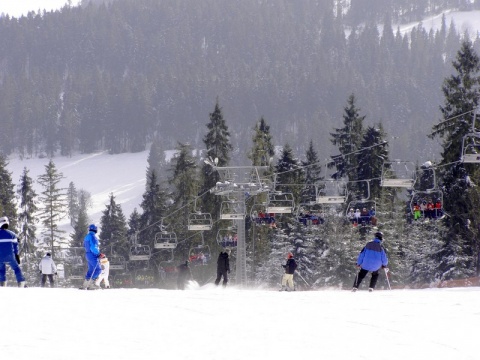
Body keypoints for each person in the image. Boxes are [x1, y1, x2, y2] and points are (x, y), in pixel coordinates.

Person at [0, 216, 26, 287]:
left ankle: (2, 285)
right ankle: (21, 284)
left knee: (1, 270)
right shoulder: (12, 234)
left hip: (0, 257)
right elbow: (16, 245)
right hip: (10, 256)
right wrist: (17, 255)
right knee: (16, 269)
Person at [81, 224, 102, 290]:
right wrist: (98, 254)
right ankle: (92, 284)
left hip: (88, 254)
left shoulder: (86, 236)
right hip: (93, 255)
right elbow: (93, 247)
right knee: (98, 269)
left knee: (91, 270)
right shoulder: (93, 237)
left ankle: (85, 284)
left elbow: (85, 246)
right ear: (95, 229)